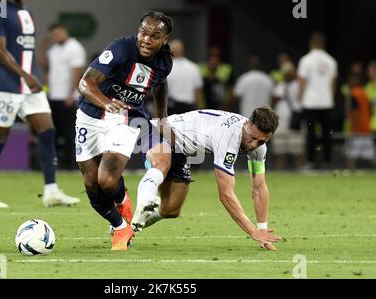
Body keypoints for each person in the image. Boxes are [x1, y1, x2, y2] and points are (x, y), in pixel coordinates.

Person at [76, 11, 173, 251]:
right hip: (90, 115)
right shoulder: (120, 49)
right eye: (143, 33)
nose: (147, 40)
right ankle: (121, 225)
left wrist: (161, 115)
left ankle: (120, 216)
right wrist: (105, 101)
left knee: (106, 180)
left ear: (165, 39)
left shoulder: (164, 61)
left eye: (155, 36)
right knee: (91, 185)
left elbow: (159, 83)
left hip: (125, 117)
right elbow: (85, 83)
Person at [132, 106, 282, 250]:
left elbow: (259, 187)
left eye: (261, 141)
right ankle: (143, 201)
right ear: (247, 124)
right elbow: (226, 194)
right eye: (253, 138)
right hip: (161, 132)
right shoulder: (229, 136)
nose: (253, 145)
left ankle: (129, 226)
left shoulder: (259, 148)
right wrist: (252, 231)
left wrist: (262, 231)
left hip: (180, 150)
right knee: (161, 164)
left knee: (171, 209)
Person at [0, 0, 80, 208]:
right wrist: (25, 75)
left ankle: (51, 191)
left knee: (47, 130)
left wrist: (31, 75)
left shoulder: (27, 14)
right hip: (5, 85)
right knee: (0, 135)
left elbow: (25, 51)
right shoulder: (0, 11)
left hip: (29, 85)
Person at [38, 23, 86, 170]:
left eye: (57, 33)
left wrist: (72, 94)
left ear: (64, 31)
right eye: (52, 35)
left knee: (70, 134)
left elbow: (77, 73)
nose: (55, 36)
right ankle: (55, 165)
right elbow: (42, 64)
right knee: (54, 133)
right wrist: (42, 47)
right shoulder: (54, 49)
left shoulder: (74, 48)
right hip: (54, 97)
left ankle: (72, 166)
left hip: (68, 98)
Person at [297, 32, 338, 169]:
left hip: (310, 102)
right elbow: (333, 83)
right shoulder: (331, 61)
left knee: (311, 133)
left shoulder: (306, 60)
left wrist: (301, 99)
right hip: (326, 102)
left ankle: (310, 162)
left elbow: (302, 82)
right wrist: (330, 97)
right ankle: (327, 161)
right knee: (327, 133)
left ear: (311, 43)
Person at [271, 62, 305, 170]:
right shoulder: (280, 86)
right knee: (280, 150)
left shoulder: (299, 84)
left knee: (298, 148)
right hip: (281, 120)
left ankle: (300, 169)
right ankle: (280, 171)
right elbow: (274, 99)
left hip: (295, 119)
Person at [344, 74, 376, 170]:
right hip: (366, 127)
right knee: (371, 153)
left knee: (350, 153)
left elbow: (354, 111)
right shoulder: (364, 93)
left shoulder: (353, 93)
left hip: (357, 129)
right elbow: (370, 110)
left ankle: (350, 171)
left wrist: (355, 128)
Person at [166, 39, 203, 115]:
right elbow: (198, 92)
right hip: (190, 107)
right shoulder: (194, 67)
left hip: (172, 107)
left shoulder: (167, 68)